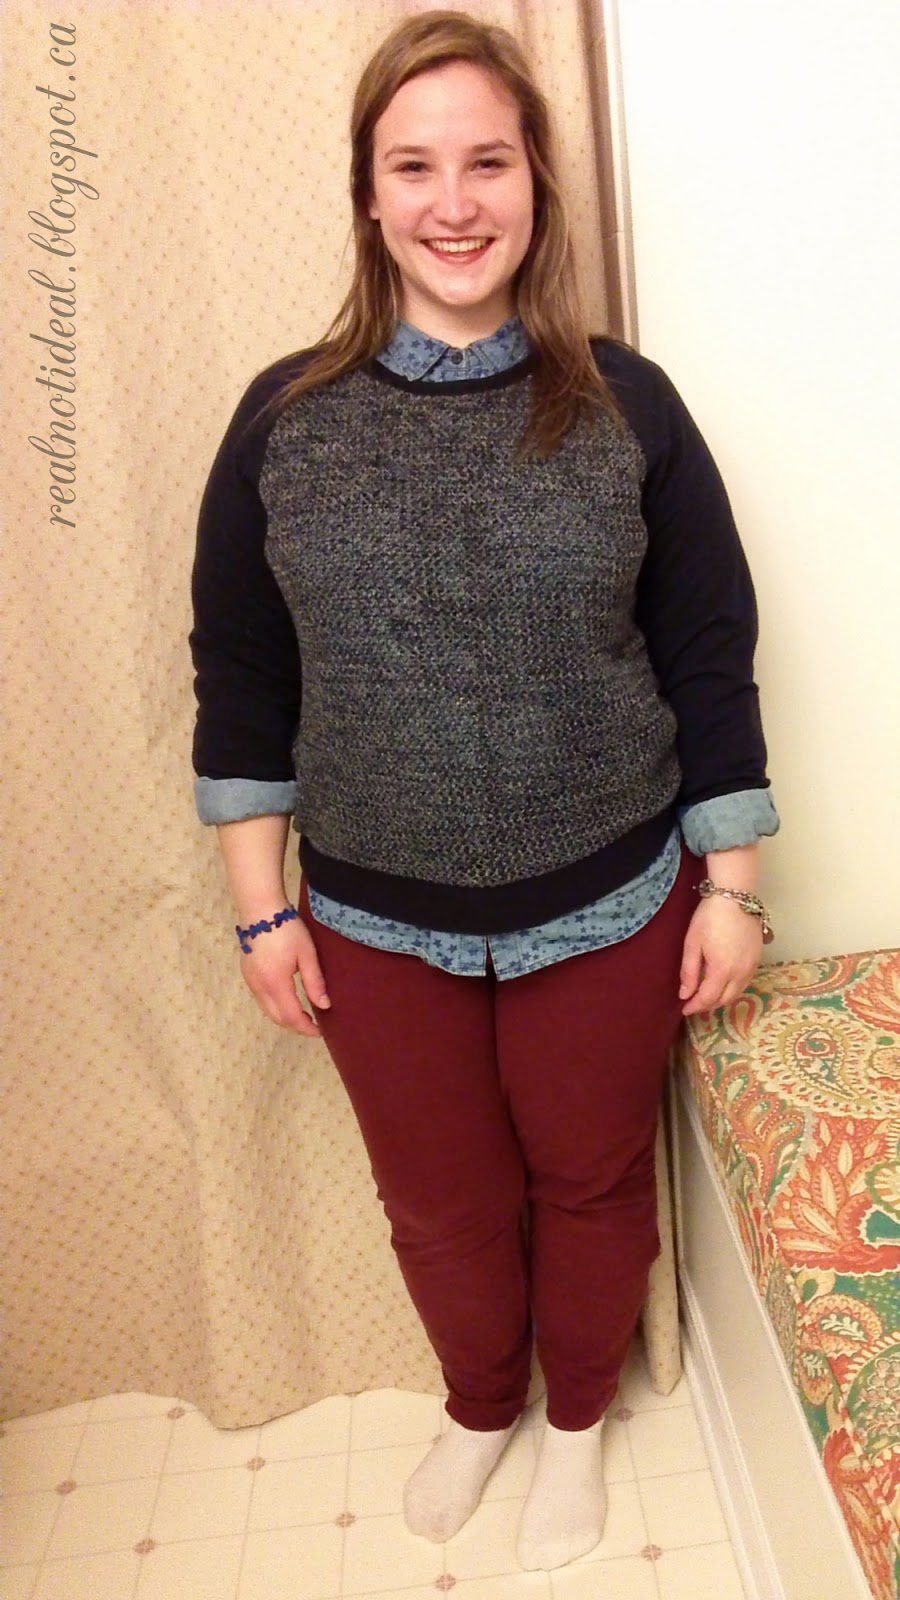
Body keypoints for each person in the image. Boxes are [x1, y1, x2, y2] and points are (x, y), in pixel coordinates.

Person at [190, 8, 778, 1573]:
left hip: (611, 896)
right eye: (415, 166)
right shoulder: (285, 421)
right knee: (440, 1205)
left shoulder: (630, 408)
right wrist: (261, 917)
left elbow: (710, 653)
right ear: (368, 195)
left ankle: (576, 1422)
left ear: (535, 187)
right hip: (374, 920)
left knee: (591, 1180)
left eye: (488, 163)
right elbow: (240, 679)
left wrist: (732, 887)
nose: (455, 202)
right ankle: (480, 1403)